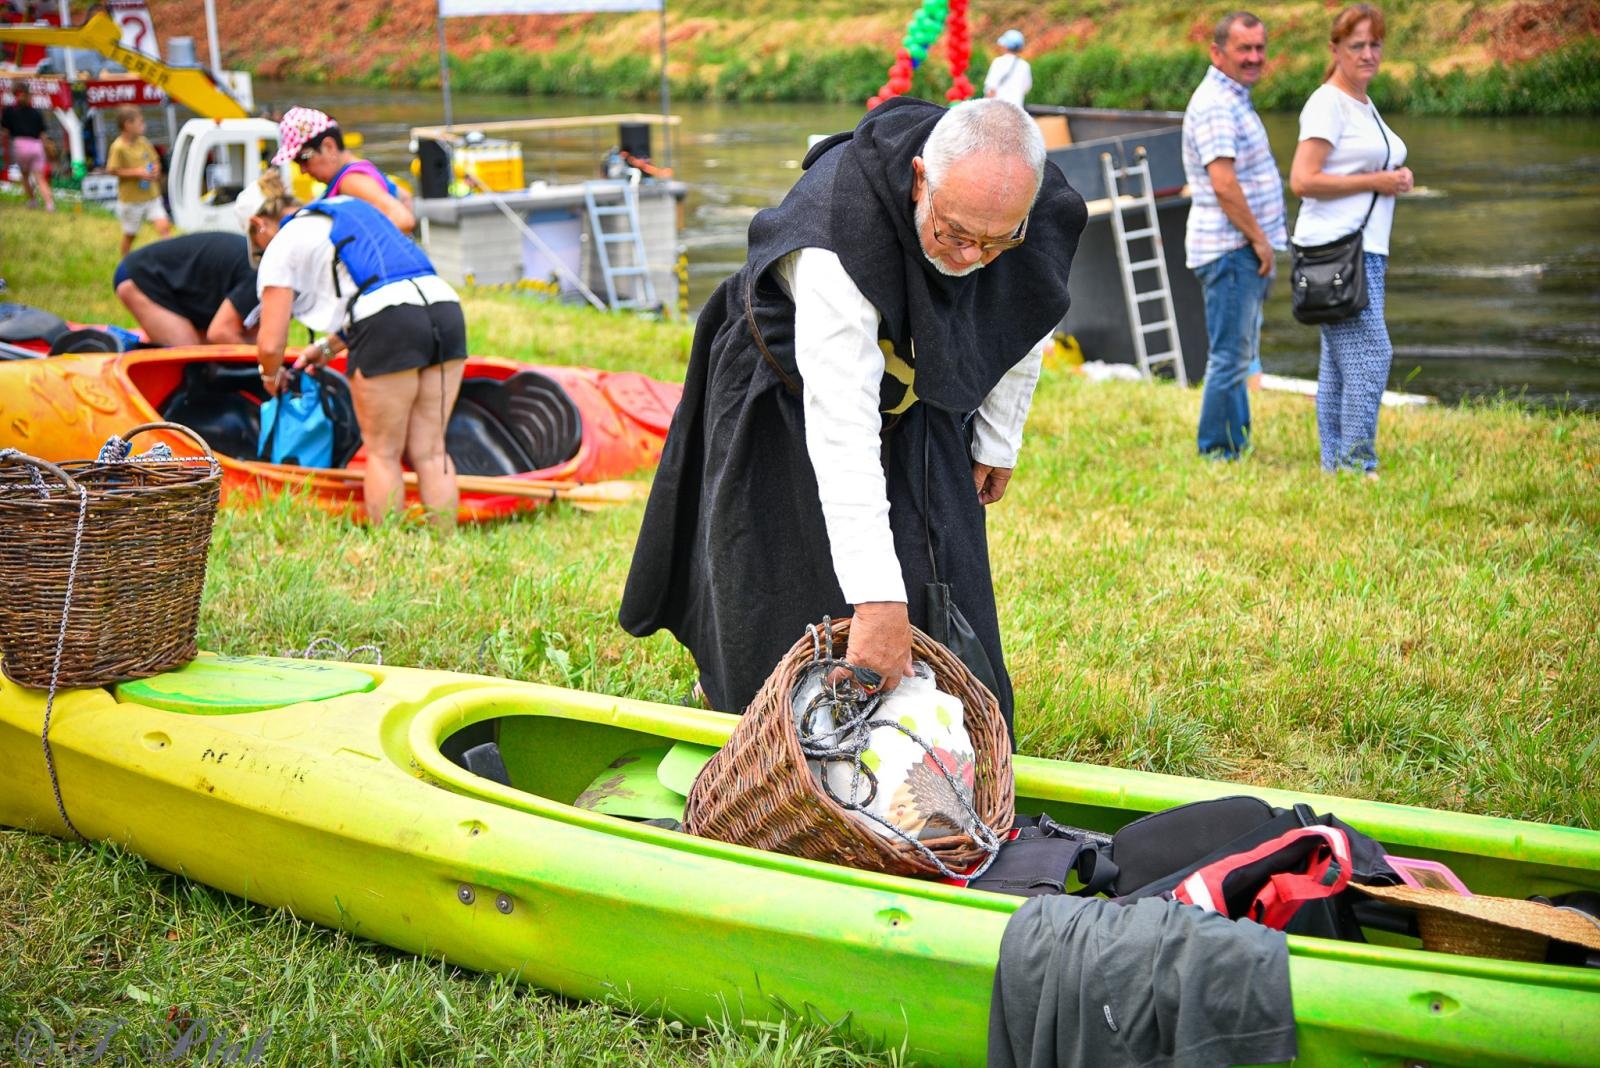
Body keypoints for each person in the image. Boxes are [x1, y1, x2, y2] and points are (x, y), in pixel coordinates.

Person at [620, 99, 1086, 734]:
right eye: (954, 234)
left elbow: (1021, 313)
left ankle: (938, 738)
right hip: (781, 387)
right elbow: (842, 425)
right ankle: (759, 740)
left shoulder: (1023, 216)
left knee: (941, 579)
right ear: (921, 179)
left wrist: (998, 438)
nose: (973, 257)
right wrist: (876, 601)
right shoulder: (835, 240)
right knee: (775, 587)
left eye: (996, 241)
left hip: (915, 388)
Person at [237, 172, 466, 528]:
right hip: (445, 306)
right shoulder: (348, 207)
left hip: (389, 322)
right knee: (432, 450)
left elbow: (270, 343)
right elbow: (384, 284)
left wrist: (270, 376)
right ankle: (445, 544)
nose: (262, 251)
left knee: (383, 453)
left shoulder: (282, 242)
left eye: (257, 245)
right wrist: (327, 347)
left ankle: (388, 547)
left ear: (258, 225)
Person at [1290, 4, 1412, 478]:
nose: (1368, 54)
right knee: (1371, 353)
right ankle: (1357, 466)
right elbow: (1303, 179)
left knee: (1339, 364)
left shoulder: (1362, 100)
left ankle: (1334, 466)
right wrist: (1377, 181)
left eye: (1375, 44)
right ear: (1335, 49)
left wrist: (1394, 177)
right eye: (1357, 45)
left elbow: (1364, 165)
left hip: (1364, 250)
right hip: (1334, 251)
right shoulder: (1327, 102)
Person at [1181, 11, 1287, 460]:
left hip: (1236, 247)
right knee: (1229, 356)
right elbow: (1224, 183)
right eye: (1244, 48)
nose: (1254, 57)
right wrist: (1259, 240)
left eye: (1260, 47)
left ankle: (1233, 441)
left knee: (1238, 353)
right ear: (1217, 52)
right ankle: (1218, 450)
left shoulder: (1232, 96)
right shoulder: (1216, 104)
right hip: (1230, 248)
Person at [272, 106, 415, 233]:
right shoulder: (361, 167)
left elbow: (403, 220)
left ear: (329, 147)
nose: (302, 170)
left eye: (303, 159)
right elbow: (405, 196)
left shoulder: (350, 181)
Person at [113, 231, 260, 345]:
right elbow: (220, 333)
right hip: (140, 276)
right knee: (191, 360)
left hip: (180, 285)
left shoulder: (262, 271)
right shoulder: (259, 276)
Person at [105, 106, 172, 256]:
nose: (144, 125)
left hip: (151, 196)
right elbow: (112, 170)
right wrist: (137, 173)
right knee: (130, 235)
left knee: (164, 228)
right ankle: (125, 263)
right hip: (132, 200)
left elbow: (156, 161)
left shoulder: (143, 142)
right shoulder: (118, 147)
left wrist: (156, 170)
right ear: (128, 125)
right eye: (140, 122)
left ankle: (171, 260)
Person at [1, 101, 55, 212]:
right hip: (37, 146)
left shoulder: (10, 112)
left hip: (20, 145)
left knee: (25, 175)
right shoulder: (36, 112)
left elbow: (5, 130)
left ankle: (32, 201)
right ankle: (50, 205)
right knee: (40, 178)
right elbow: (43, 134)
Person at [984, 30, 1032, 109]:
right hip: (1016, 110)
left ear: (1005, 46)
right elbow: (1026, 87)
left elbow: (991, 89)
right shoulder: (1025, 66)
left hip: (998, 109)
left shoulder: (998, 62)